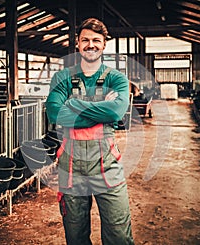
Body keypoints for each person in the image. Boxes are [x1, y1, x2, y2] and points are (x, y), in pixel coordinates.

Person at [45, 18, 134, 245]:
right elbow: (55, 114)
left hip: (107, 166)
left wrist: (73, 105)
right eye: (85, 39)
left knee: (119, 236)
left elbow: (115, 112)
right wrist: (100, 108)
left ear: (104, 44)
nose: (90, 44)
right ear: (77, 43)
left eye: (96, 40)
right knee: (75, 236)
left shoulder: (116, 78)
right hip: (70, 167)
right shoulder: (62, 77)